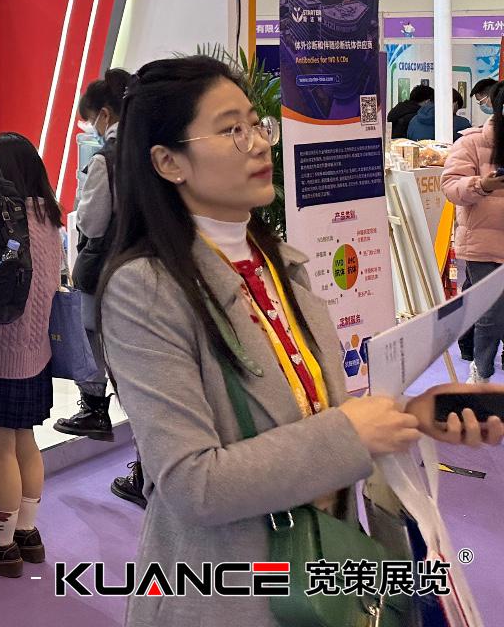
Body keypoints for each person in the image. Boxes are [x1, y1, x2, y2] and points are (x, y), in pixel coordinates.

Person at [99, 56, 424, 627]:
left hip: (320, 573)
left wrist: (413, 417)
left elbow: (315, 411)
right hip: (227, 592)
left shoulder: (279, 264)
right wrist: (350, 434)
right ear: (168, 162)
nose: (258, 144)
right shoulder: (147, 289)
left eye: (256, 124)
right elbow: (191, 483)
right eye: (231, 130)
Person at [0, 132, 63, 580]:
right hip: (36, 356)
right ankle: (27, 533)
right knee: (25, 442)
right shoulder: (49, 219)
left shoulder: (1, 224)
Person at [53, 71, 130, 442]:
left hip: (104, 268)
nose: (90, 128)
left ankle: (94, 409)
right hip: (143, 264)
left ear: (104, 114)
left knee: (91, 337)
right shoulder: (151, 150)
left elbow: (92, 222)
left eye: (90, 120)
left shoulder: (107, 159)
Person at [443, 83, 504, 383]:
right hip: (483, 243)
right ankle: (481, 372)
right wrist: (482, 185)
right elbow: (450, 186)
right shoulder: (472, 142)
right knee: (490, 313)